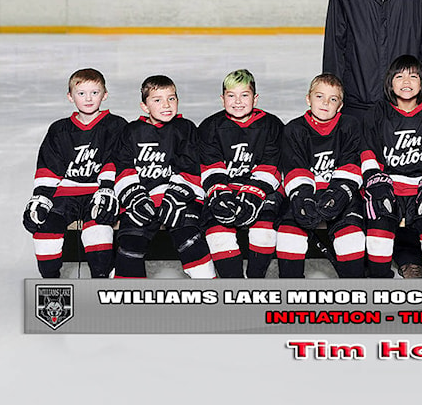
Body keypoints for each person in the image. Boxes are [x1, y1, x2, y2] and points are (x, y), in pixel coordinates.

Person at [22, 68, 127, 278]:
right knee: (45, 229)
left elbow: (117, 161)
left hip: (99, 194)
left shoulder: (116, 126)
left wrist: (108, 190)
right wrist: (41, 196)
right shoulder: (59, 129)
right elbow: (49, 166)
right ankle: (52, 284)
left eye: (95, 93)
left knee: (98, 231)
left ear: (104, 95)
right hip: (65, 194)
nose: (88, 98)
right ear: (70, 97)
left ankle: (102, 280)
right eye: (81, 93)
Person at [112, 75, 215, 279]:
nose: (166, 105)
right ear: (144, 106)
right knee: (129, 246)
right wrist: (135, 197)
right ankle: (129, 301)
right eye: (157, 100)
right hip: (141, 199)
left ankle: (209, 289)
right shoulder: (131, 131)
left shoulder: (185, 128)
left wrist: (176, 195)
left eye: (172, 98)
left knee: (190, 240)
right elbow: (123, 168)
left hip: (179, 199)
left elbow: (190, 167)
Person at [359, 55, 422, 278]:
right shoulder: (377, 113)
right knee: (378, 221)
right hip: (389, 186)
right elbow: (368, 152)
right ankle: (378, 284)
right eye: (399, 76)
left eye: (413, 76)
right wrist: (376, 182)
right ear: (390, 82)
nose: (406, 82)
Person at [276, 73, 366, 278]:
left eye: (332, 99)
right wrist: (302, 197)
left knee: (351, 238)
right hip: (306, 193)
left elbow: (351, 165)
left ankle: (356, 293)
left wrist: (339, 195)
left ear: (340, 105)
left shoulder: (349, 126)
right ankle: (291, 294)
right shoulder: (294, 129)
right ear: (308, 99)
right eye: (319, 96)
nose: (325, 103)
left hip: (341, 193)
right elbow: (294, 168)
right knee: (288, 236)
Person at [197, 69, 284, 278]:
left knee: (264, 232)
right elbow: (210, 167)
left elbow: (273, 166)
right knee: (218, 235)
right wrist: (221, 195)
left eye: (244, 95)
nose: (238, 102)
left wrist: (253, 195)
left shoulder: (272, 125)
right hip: (225, 189)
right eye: (231, 95)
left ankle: (254, 280)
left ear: (255, 98)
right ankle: (234, 285)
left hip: (264, 190)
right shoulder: (210, 126)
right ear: (222, 98)